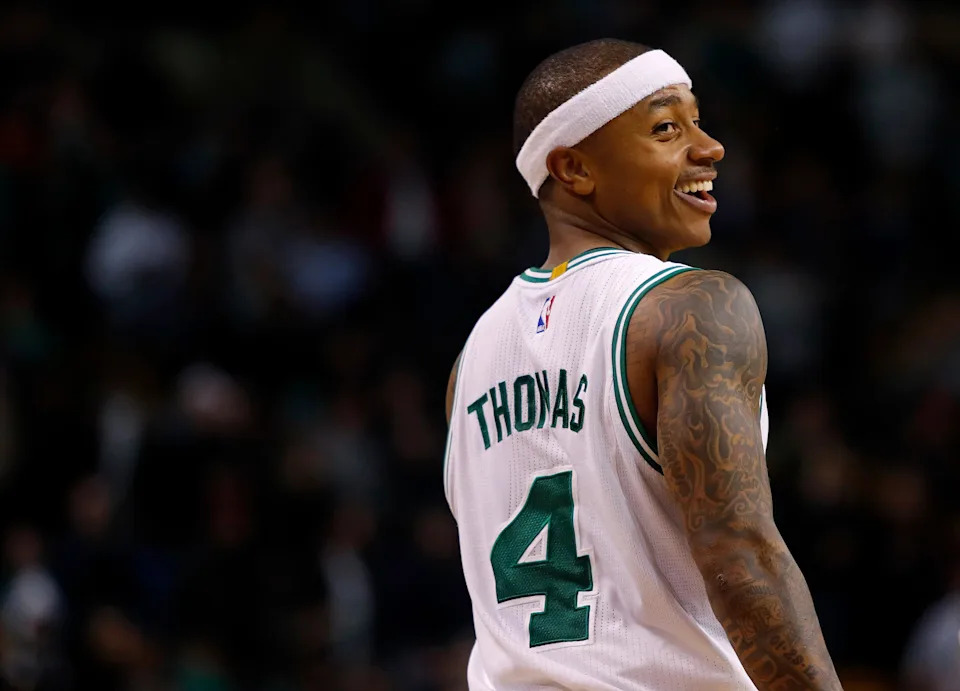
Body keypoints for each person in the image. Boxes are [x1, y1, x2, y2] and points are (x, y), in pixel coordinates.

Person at [443, 38, 843, 690]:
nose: (710, 147)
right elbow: (740, 556)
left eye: (697, 120)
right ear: (574, 168)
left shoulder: (470, 362)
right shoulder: (691, 307)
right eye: (666, 129)